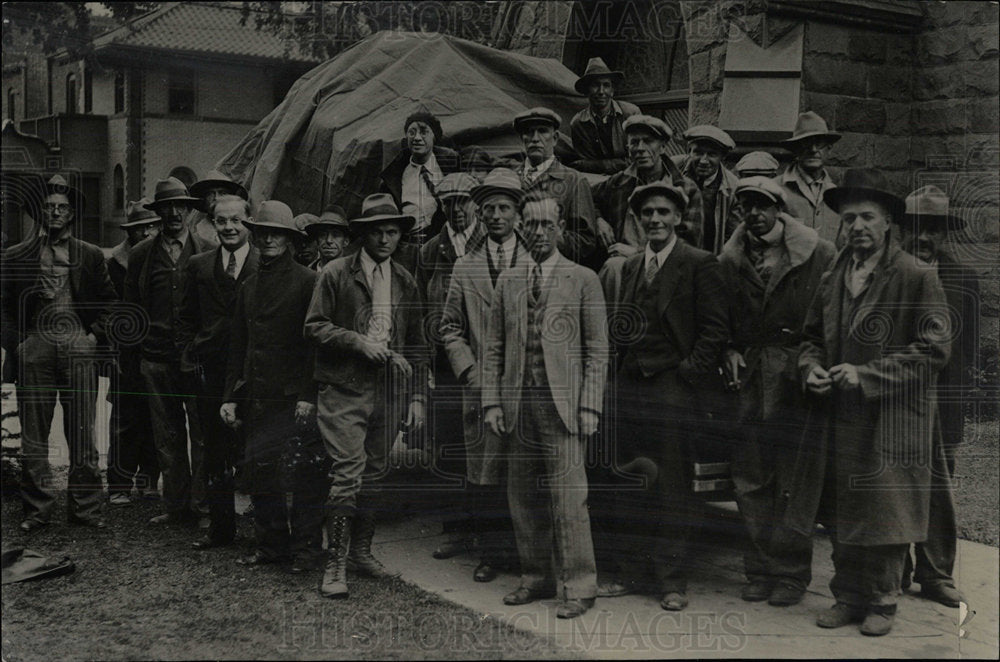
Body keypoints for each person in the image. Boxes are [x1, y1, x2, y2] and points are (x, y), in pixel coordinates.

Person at [794, 169, 950, 636]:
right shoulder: (834, 274)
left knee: (885, 506)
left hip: (893, 414)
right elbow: (810, 339)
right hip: (839, 411)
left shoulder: (916, 275)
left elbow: (934, 350)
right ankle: (847, 595)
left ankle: (883, 600)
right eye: (848, 219)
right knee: (842, 503)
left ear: (888, 225)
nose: (857, 226)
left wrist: (865, 375)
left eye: (867, 217)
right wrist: (811, 369)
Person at [602, 182, 729, 611]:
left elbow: (714, 330)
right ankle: (630, 570)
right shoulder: (633, 265)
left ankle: (672, 580)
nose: (655, 219)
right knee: (630, 478)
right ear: (638, 220)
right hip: (631, 387)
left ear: (678, 218)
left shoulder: (699, 263)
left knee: (674, 485)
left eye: (663, 212)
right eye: (647, 214)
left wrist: (687, 373)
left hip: (674, 389)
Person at [482, 196, 608, 620]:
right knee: (522, 496)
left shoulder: (583, 278)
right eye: (530, 225)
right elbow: (495, 348)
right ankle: (534, 578)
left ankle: (579, 586)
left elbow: (597, 350)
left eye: (545, 225)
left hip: (564, 406)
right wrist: (492, 403)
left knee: (570, 498)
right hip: (519, 404)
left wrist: (589, 406)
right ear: (521, 228)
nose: (538, 232)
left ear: (559, 229)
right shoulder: (509, 281)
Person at [718, 177, 836, 607]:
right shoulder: (729, 260)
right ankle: (759, 569)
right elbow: (718, 317)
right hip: (748, 378)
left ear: (780, 207)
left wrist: (815, 365)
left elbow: (832, 316)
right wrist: (729, 347)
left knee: (794, 480)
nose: (754, 213)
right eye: (745, 205)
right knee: (750, 478)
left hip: (795, 377)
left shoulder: (817, 253)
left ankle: (790, 574)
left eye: (762, 204)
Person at [305, 193, 429, 598]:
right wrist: (358, 342)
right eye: (376, 231)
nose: (384, 239)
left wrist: (416, 398)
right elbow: (315, 326)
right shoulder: (337, 274)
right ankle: (336, 562)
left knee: (376, 471)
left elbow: (416, 345)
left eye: (392, 231)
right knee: (347, 473)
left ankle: (361, 551)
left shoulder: (406, 280)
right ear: (362, 234)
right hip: (344, 388)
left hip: (389, 392)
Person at [1, 174, 117, 530]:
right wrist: (19, 343)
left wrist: (93, 337)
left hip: (78, 347)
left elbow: (110, 304)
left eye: (62, 208)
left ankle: (86, 510)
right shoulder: (16, 254)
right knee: (35, 436)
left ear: (71, 214)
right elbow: (2, 307)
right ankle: (38, 511)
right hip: (35, 345)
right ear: (38, 212)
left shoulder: (91, 254)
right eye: (48, 207)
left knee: (83, 433)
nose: (55, 212)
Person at [221, 200, 323, 571]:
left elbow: (315, 347)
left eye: (276, 233)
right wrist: (231, 397)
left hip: (294, 399)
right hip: (257, 397)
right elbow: (239, 346)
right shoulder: (248, 286)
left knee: (303, 475)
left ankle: (307, 551)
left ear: (289, 239)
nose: (268, 240)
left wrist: (308, 396)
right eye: (262, 232)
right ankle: (272, 547)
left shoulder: (308, 282)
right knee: (262, 473)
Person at [439, 168, 526, 581]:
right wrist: (469, 370)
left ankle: (528, 554)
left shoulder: (536, 262)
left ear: (518, 215)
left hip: (526, 386)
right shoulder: (464, 266)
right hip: (479, 387)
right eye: (488, 208)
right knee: (485, 472)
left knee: (525, 470)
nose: (495, 215)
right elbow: (449, 327)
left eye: (504, 207)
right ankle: (492, 555)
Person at [897, 185, 978, 608]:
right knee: (892, 486)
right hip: (895, 400)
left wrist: (955, 413)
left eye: (933, 229)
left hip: (942, 401)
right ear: (900, 229)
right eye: (915, 228)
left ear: (945, 235)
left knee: (938, 490)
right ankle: (895, 570)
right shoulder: (887, 273)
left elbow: (965, 353)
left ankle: (936, 573)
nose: (923, 238)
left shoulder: (963, 278)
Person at [125, 177, 213, 525]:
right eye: (167, 208)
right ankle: (176, 508)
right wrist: (137, 360)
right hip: (156, 359)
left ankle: (204, 507)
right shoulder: (141, 254)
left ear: (190, 211)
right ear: (158, 212)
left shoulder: (207, 248)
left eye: (180, 207)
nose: (174, 213)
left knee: (202, 437)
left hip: (195, 361)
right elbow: (131, 311)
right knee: (167, 437)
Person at [180, 194, 258, 550]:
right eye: (221, 221)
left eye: (235, 220)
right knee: (214, 450)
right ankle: (221, 529)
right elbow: (184, 318)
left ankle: (266, 532)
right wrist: (191, 354)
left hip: (253, 372)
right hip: (210, 372)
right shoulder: (198, 264)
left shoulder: (263, 263)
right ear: (213, 224)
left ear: (248, 222)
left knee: (256, 448)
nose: (228, 227)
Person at [416, 172, 487, 563]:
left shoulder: (490, 243)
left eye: (463, 201)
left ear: (475, 203)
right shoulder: (430, 250)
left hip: (482, 358)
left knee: (485, 442)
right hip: (445, 361)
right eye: (448, 203)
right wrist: (427, 361)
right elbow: (427, 311)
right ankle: (456, 529)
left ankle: (487, 533)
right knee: (448, 442)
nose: (457, 210)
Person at [591, 114, 703, 301]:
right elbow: (586, 197)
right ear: (628, 148)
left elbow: (689, 244)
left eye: (648, 141)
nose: (640, 149)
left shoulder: (685, 188)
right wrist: (598, 220)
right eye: (634, 143)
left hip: (667, 264)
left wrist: (640, 254)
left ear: (663, 147)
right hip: (622, 264)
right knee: (613, 267)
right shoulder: (619, 182)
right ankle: (611, 329)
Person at [105, 199, 162, 506]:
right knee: (125, 419)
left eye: (153, 226)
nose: (148, 233)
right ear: (131, 232)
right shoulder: (115, 262)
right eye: (142, 228)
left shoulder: (161, 258)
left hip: (154, 348)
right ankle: (118, 484)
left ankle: (149, 479)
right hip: (126, 351)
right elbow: (110, 307)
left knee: (155, 416)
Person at [512, 107, 598, 266]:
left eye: (543, 131)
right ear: (521, 139)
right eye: (529, 132)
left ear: (556, 138)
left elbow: (585, 243)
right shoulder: (509, 179)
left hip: (554, 271)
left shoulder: (573, 181)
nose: (535, 138)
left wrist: (543, 237)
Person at [380, 111, 462, 244]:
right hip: (409, 244)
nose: (417, 138)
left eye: (424, 132)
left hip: (445, 241)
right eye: (412, 132)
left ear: (434, 136)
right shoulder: (395, 174)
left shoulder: (450, 164)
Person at [672, 125, 739, 254]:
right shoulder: (672, 168)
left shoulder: (732, 186)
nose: (703, 160)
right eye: (698, 152)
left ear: (722, 157)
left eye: (712, 154)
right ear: (689, 151)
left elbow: (732, 235)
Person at [778, 112, 842, 246]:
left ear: (828, 150)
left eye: (819, 143)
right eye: (806, 143)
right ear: (795, 149)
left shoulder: (836, 195)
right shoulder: (776, 189)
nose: (813, 149)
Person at [569, 57, 641, 174]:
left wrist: (600, 165)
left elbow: (638, 158)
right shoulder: (578, 123)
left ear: (612, 91)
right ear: (587, 90)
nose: (601, 91)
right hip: (598, 180)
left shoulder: (631, 114)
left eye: (606, 85)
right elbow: (586, 165)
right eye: (595, 85)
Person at [188, 170, 249, 249]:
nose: (216, 198)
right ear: (204, 199)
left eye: (222, 193)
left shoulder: (243, 228)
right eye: (210, 194)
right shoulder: (196, 232)